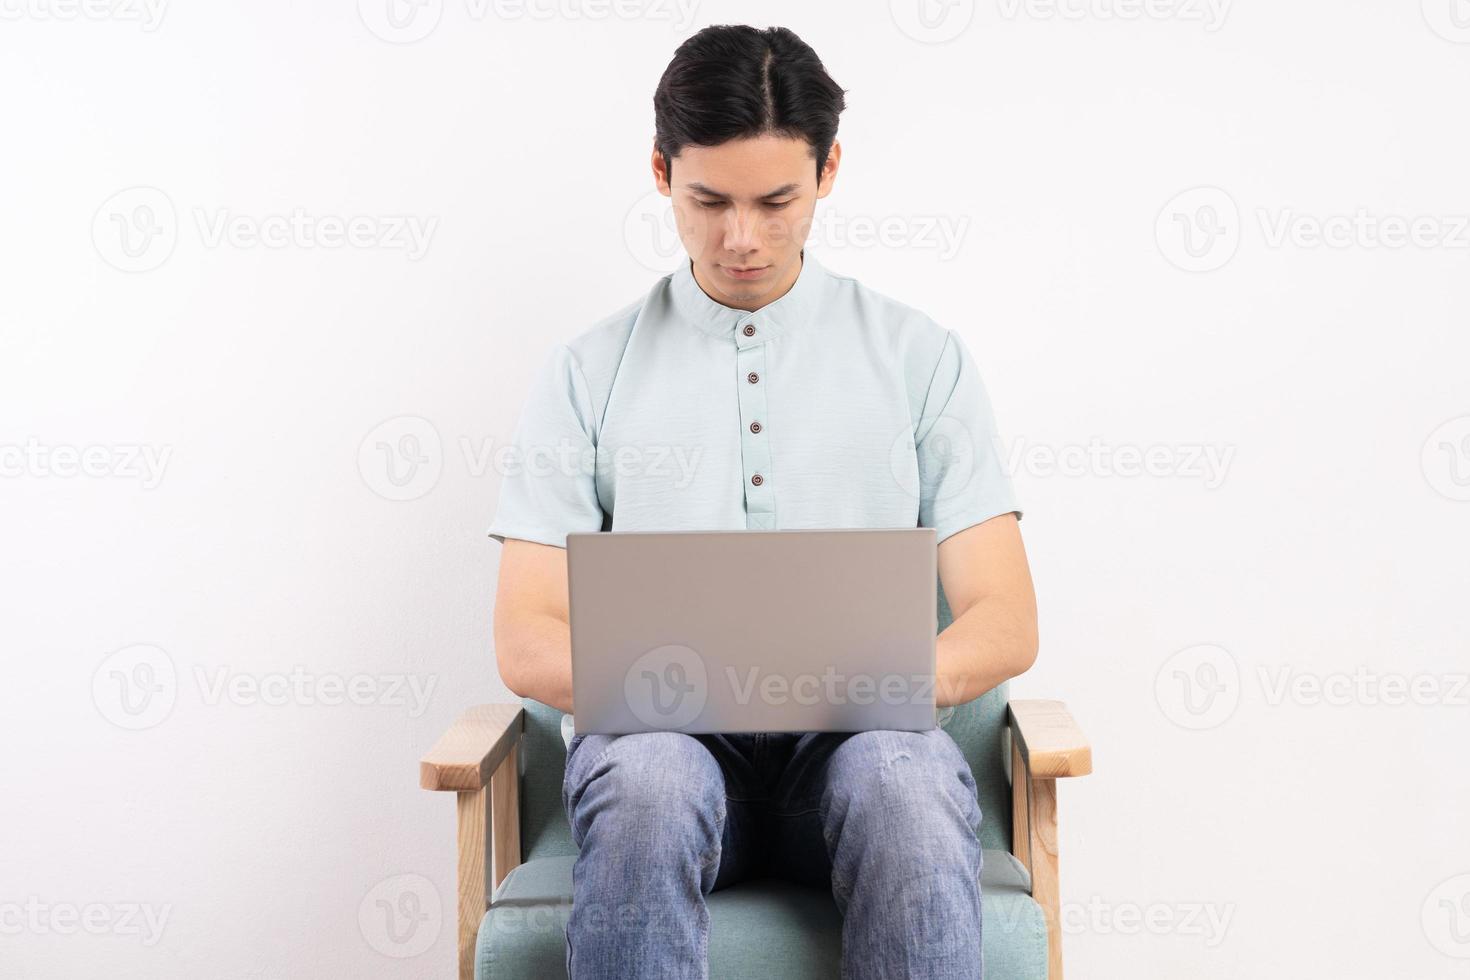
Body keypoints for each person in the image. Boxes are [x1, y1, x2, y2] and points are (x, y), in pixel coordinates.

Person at [486, 24, 1038, 980]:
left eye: (776, 200)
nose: (741, 237)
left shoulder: (920, 357)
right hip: (669, 758)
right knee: (652, 778)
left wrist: (861, 683)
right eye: (708, 201)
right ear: (661, 172)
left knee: (899, 778)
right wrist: (689, 687)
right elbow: (526, 637)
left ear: (829, 172)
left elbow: (1005, 621)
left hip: (864, 756)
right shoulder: (585, 373)